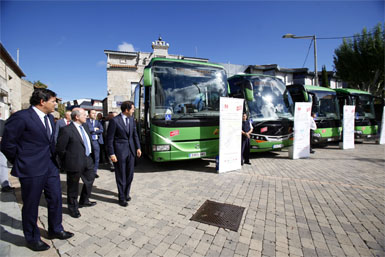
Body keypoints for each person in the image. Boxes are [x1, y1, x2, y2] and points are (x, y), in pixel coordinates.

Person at [1, 89, 73, 251]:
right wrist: (22, 161)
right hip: (31, 169)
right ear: (42, 101)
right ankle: (32, 238)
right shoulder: (21, 117)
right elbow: (7, 144)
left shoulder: (49, 118)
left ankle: (55, 229)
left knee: (55, 198)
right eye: (54, 101)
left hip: (50, 167)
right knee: (31, 204)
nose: (56, 104)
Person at [56, 108, 96, 218]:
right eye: (84, 114)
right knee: (73, 187)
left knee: (90, 179)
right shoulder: (66, 130)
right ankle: (73, 207)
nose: (86, 116)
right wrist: (67, 162)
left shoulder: (85, 127)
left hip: (87, 160)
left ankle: (84, 200)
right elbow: (60, 149)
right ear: (77, 117)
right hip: (74, 162)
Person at [107, 101, 141, 207]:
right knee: (121, 175)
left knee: (130, 175)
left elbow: (135, 134)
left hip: (131, 151)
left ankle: (126, 194)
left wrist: (138, 147)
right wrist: (112, 153)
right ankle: (121, 197)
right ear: (126, 110)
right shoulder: (114, 121)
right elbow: (109, 139)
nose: (133, 110)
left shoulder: (131, 119)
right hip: (119, 152)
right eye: (132, 108)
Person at [86, 110, 104, 178]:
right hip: (89, 142)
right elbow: (86, 129)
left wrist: (94, 130)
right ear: (89, 114)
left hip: (96, 141)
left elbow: (101, 130)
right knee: (89, 156)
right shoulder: (86, 121)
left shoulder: (98, 122)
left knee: (96, 157)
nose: (94, 114)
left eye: (95, 113)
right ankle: (88, 171)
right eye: (93, 113)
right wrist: (94, 129)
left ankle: (94, 172)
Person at [0, 113, 15, 192]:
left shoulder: (3, 123)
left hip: (1, 148)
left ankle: (5, 185)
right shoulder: (3, 123)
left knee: (2, 167)